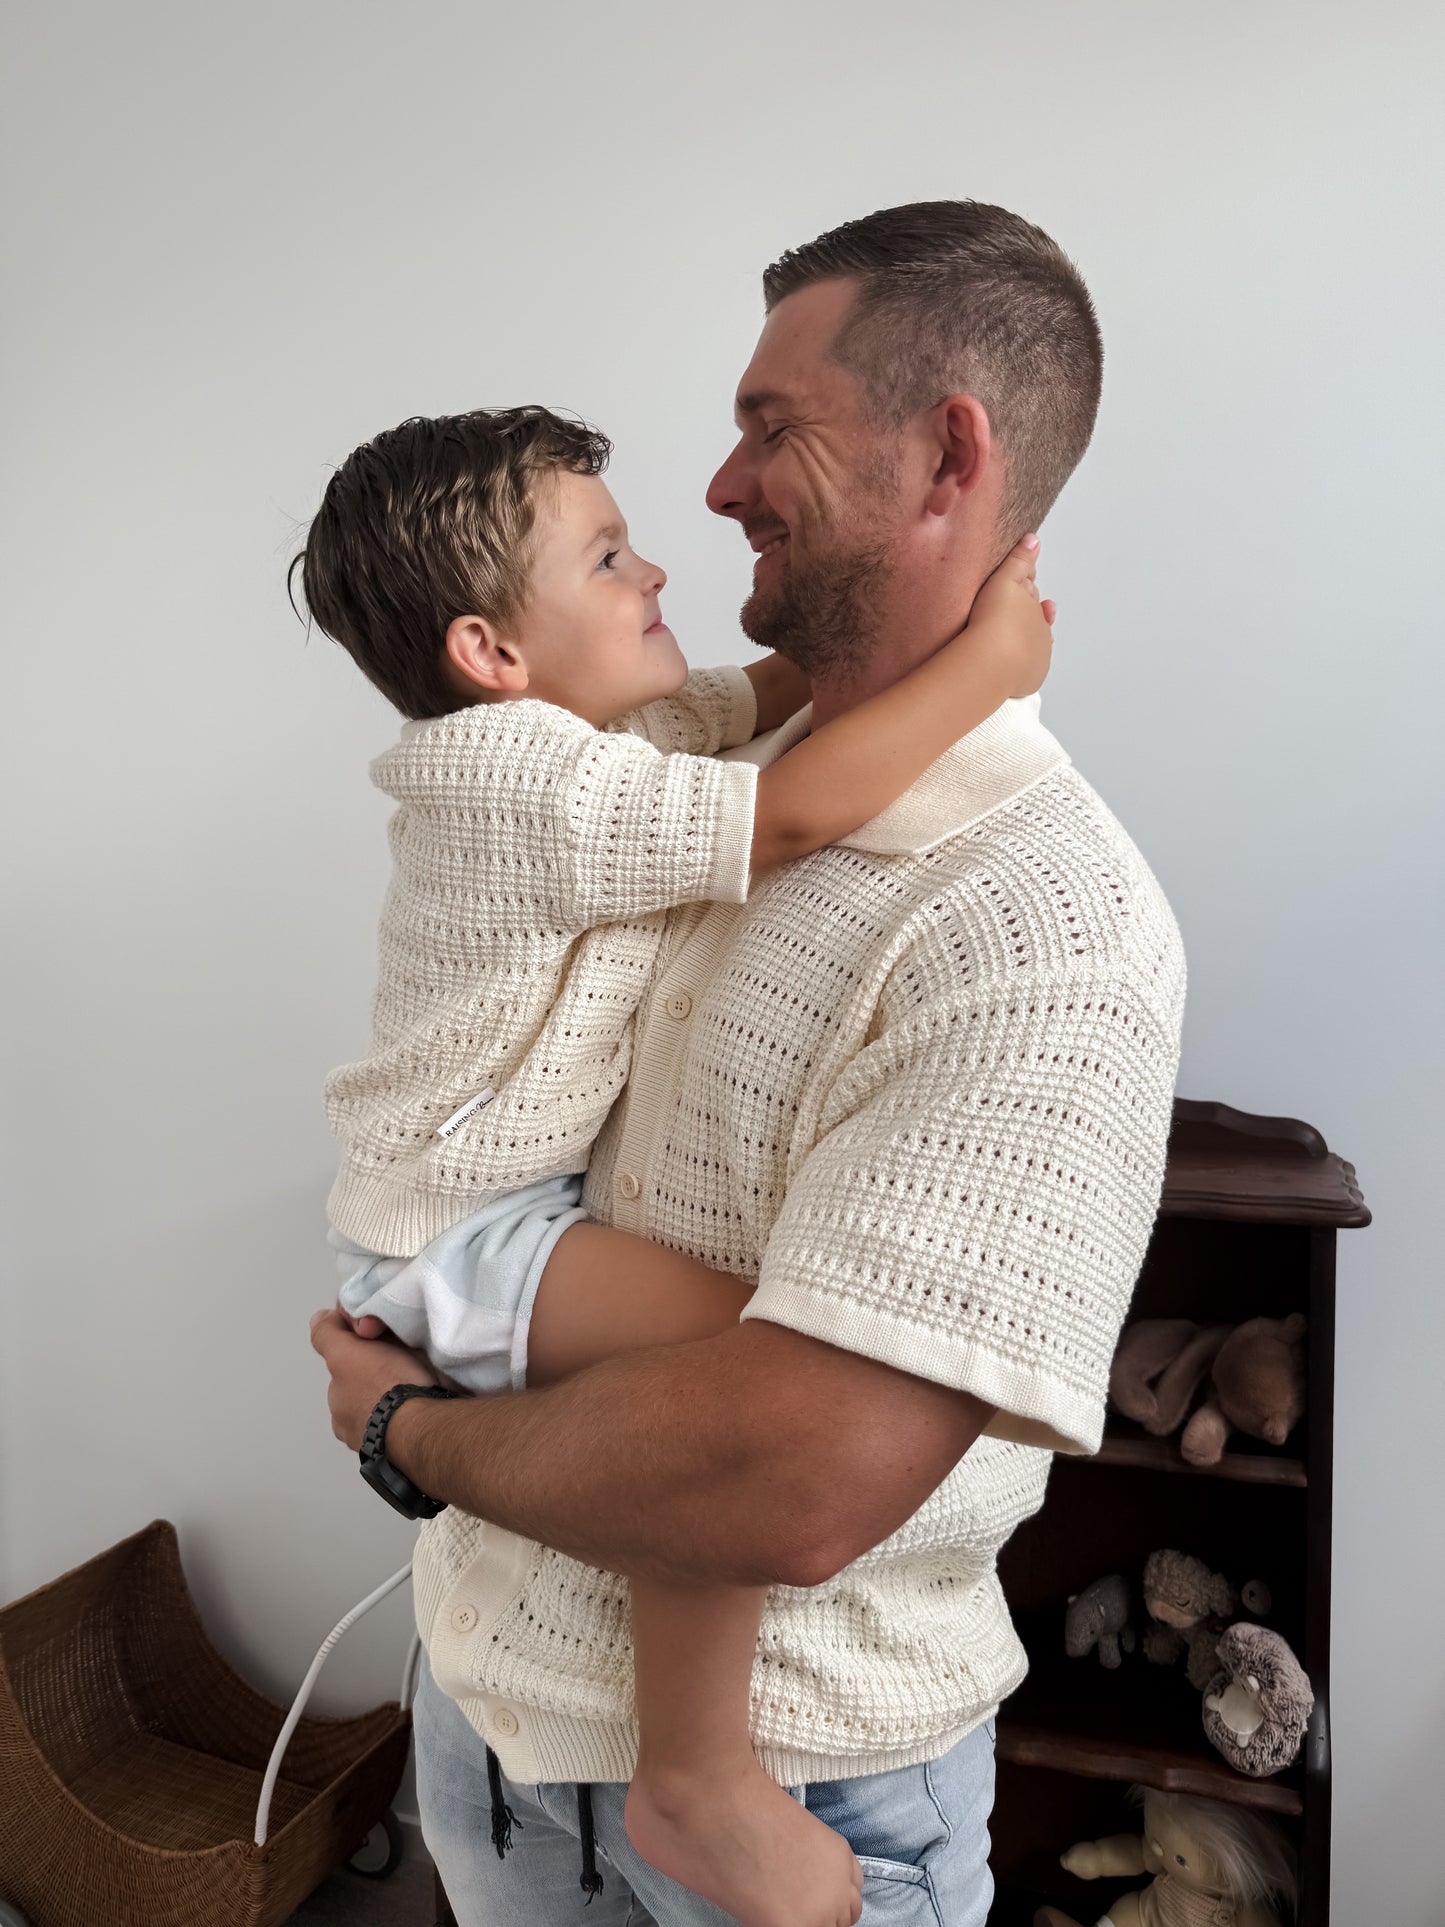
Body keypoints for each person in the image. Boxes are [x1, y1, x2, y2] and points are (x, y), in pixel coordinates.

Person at [310, 199, 1187, 1927]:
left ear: (950, 458)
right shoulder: (639, 770)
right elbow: (772, 778)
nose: (711, 495)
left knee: (756, 1363)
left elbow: (789, 1471)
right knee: (719, 1328)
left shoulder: (1045, 924)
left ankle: (699, 1772)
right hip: (497, 1734)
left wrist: (408, 1433)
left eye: (766, 426)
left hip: (808, 1800)